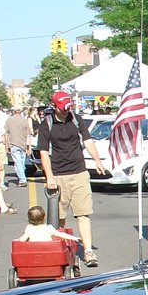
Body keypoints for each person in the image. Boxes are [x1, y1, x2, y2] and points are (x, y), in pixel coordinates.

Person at [38, 90, 106, 267]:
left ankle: (89, 252)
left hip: (79, 173)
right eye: (63, 109)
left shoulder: (76, 119)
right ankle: (59, 251)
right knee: (58, 217)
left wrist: (97, 161)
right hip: (58, 175)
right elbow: (44, 153)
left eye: (68, 108)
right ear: (54, 107)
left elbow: (88, 141)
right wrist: (49, 177)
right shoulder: (46, 124)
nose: (66, 111)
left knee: (83, 213)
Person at [16, 205, 81, 243]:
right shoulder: (49, 228)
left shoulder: (29, 228)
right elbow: (61, 234)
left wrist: (17, 240)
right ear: (44, 218)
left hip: (34, 252)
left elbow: (22, 240)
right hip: (48, 251)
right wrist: (73, 238)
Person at [4, 108, 31, 187]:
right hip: (23, 144)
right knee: (21, 162)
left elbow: (6, 133)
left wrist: (6, 145)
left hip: (13, 143)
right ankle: (22, 177)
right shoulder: (24, 121)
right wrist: (28, 146)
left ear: (14, 112)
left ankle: (22, 179)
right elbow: (28, 135)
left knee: (18, 162)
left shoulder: (9, 120)